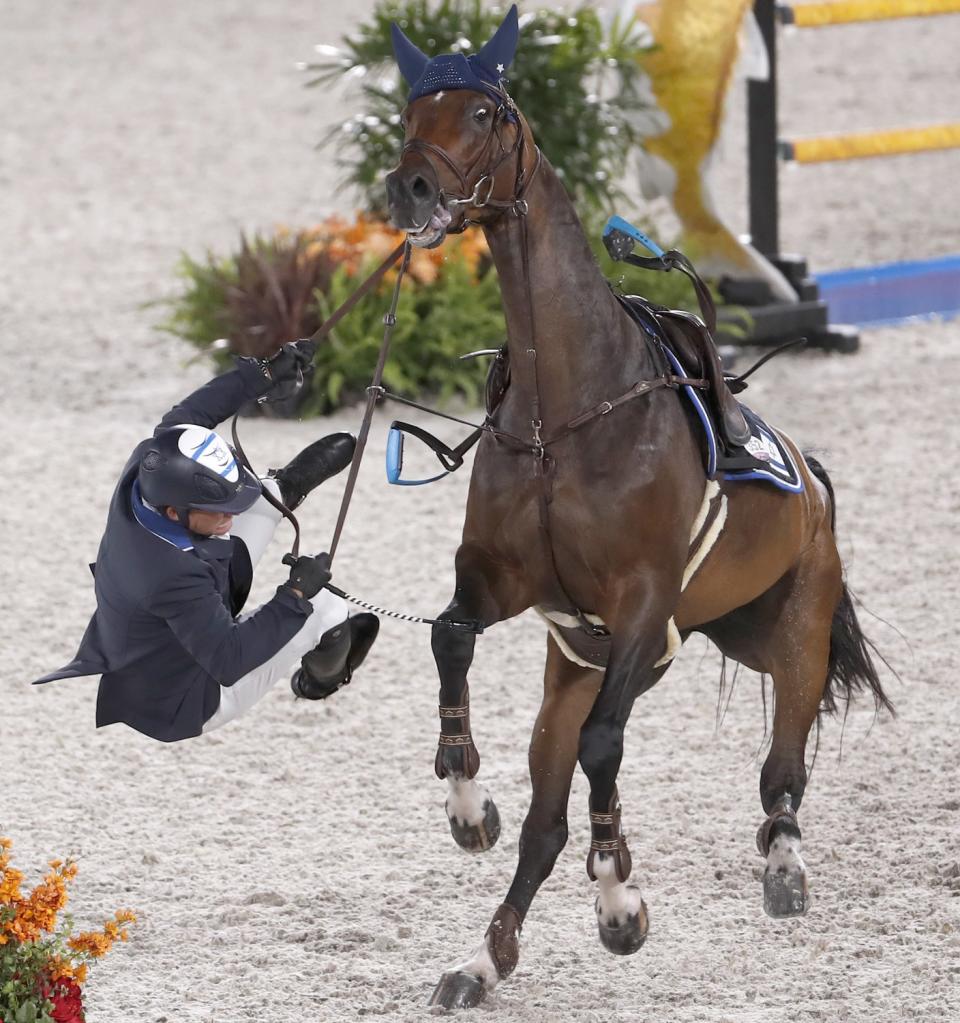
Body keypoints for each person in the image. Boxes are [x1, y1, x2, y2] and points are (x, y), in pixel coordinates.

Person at [34, 340, 379, 742]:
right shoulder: (170, 574)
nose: (228, 516)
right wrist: (295, 595)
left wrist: (259, 376)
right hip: (188, 701)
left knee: (260, 498)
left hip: (183, 625)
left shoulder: (149, 468)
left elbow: (188, 418)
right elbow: (229, 660)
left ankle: (280, 490)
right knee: (326, 606)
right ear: (173, 512)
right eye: (216, 511)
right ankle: (319, 682)